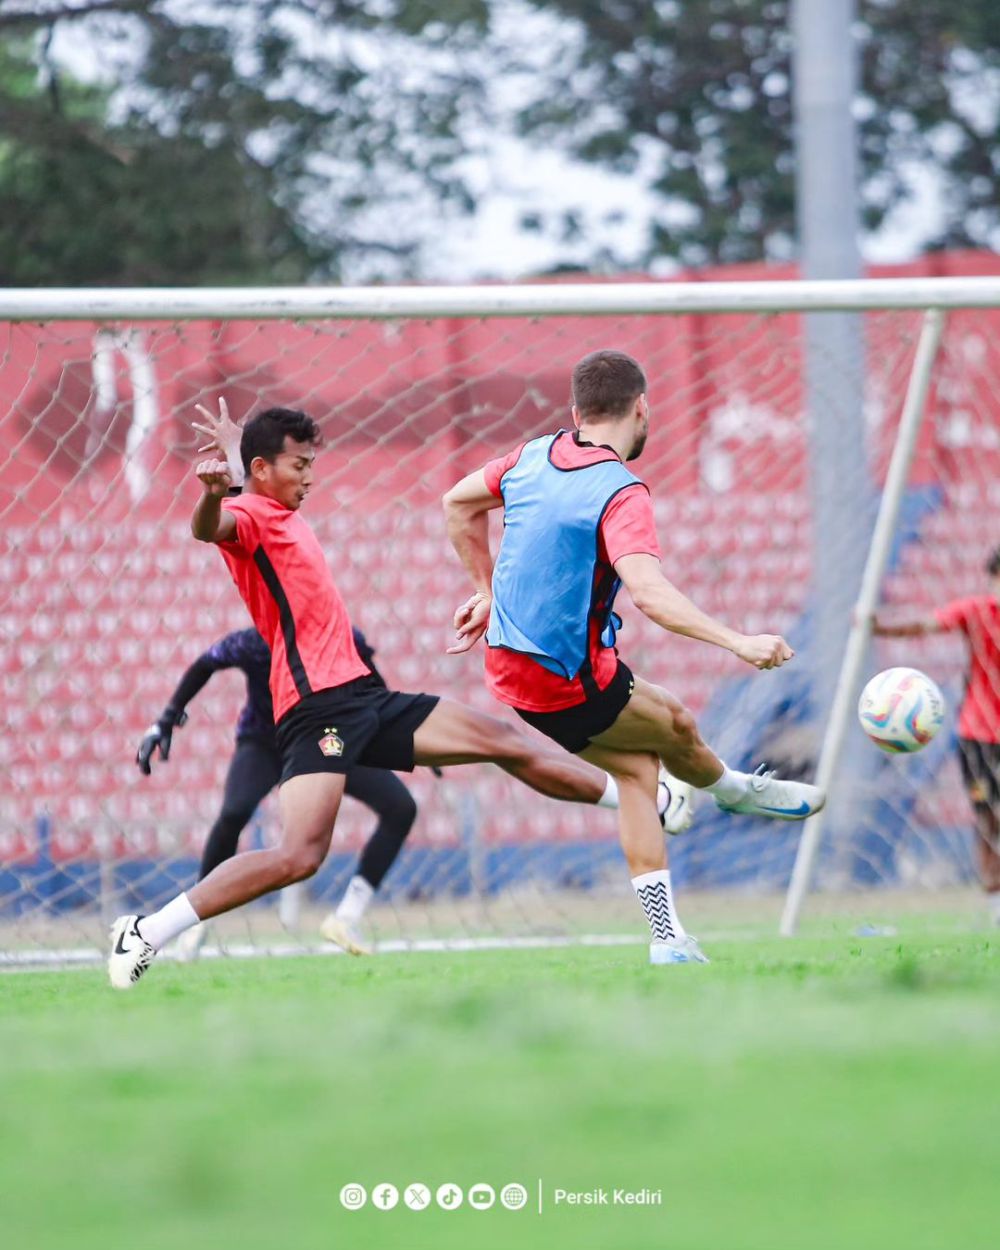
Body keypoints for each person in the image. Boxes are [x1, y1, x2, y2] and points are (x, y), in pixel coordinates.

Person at [108, 404, 664, 989]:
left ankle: (650, 801)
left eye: (311, 464)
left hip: (361, 697)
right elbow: (208, 527)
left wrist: (239, 457)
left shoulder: (267, 498)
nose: (310, 477)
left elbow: (254, 479)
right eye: (299, 465)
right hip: (316, 707)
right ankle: (146, 931)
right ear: (263, 468)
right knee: (299, 856)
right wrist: (216, 492)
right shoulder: (246, 512)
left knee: (502, 741)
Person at [442, 348, 826, 965]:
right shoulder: (620, 491)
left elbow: (456, 504)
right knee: (675, 724)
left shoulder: (530, 455)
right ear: (642, 407)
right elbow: (648, 593)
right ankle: (731, 789)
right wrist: (739, 641)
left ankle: (668, 939)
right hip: (568, 678)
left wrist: (491, 592)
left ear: (577, 411)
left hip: (508, 672)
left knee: (638, 775)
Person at [136, 625, 425, 957]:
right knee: (233, 813)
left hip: (326, 739)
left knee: (401, 807)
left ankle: (347, 916)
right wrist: (166, 719)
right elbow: (205, 664)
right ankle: (198, 918)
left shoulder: (340, 634)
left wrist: (404, 734)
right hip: (265, 742)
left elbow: (372, 681)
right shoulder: (254, 642)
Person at [872, 547, 1000, 926]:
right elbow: (926, 624)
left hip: (979, 732)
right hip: (980, 734)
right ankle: (995, 902)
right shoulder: (977, 611)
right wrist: (879, 627)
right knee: (987, 820)